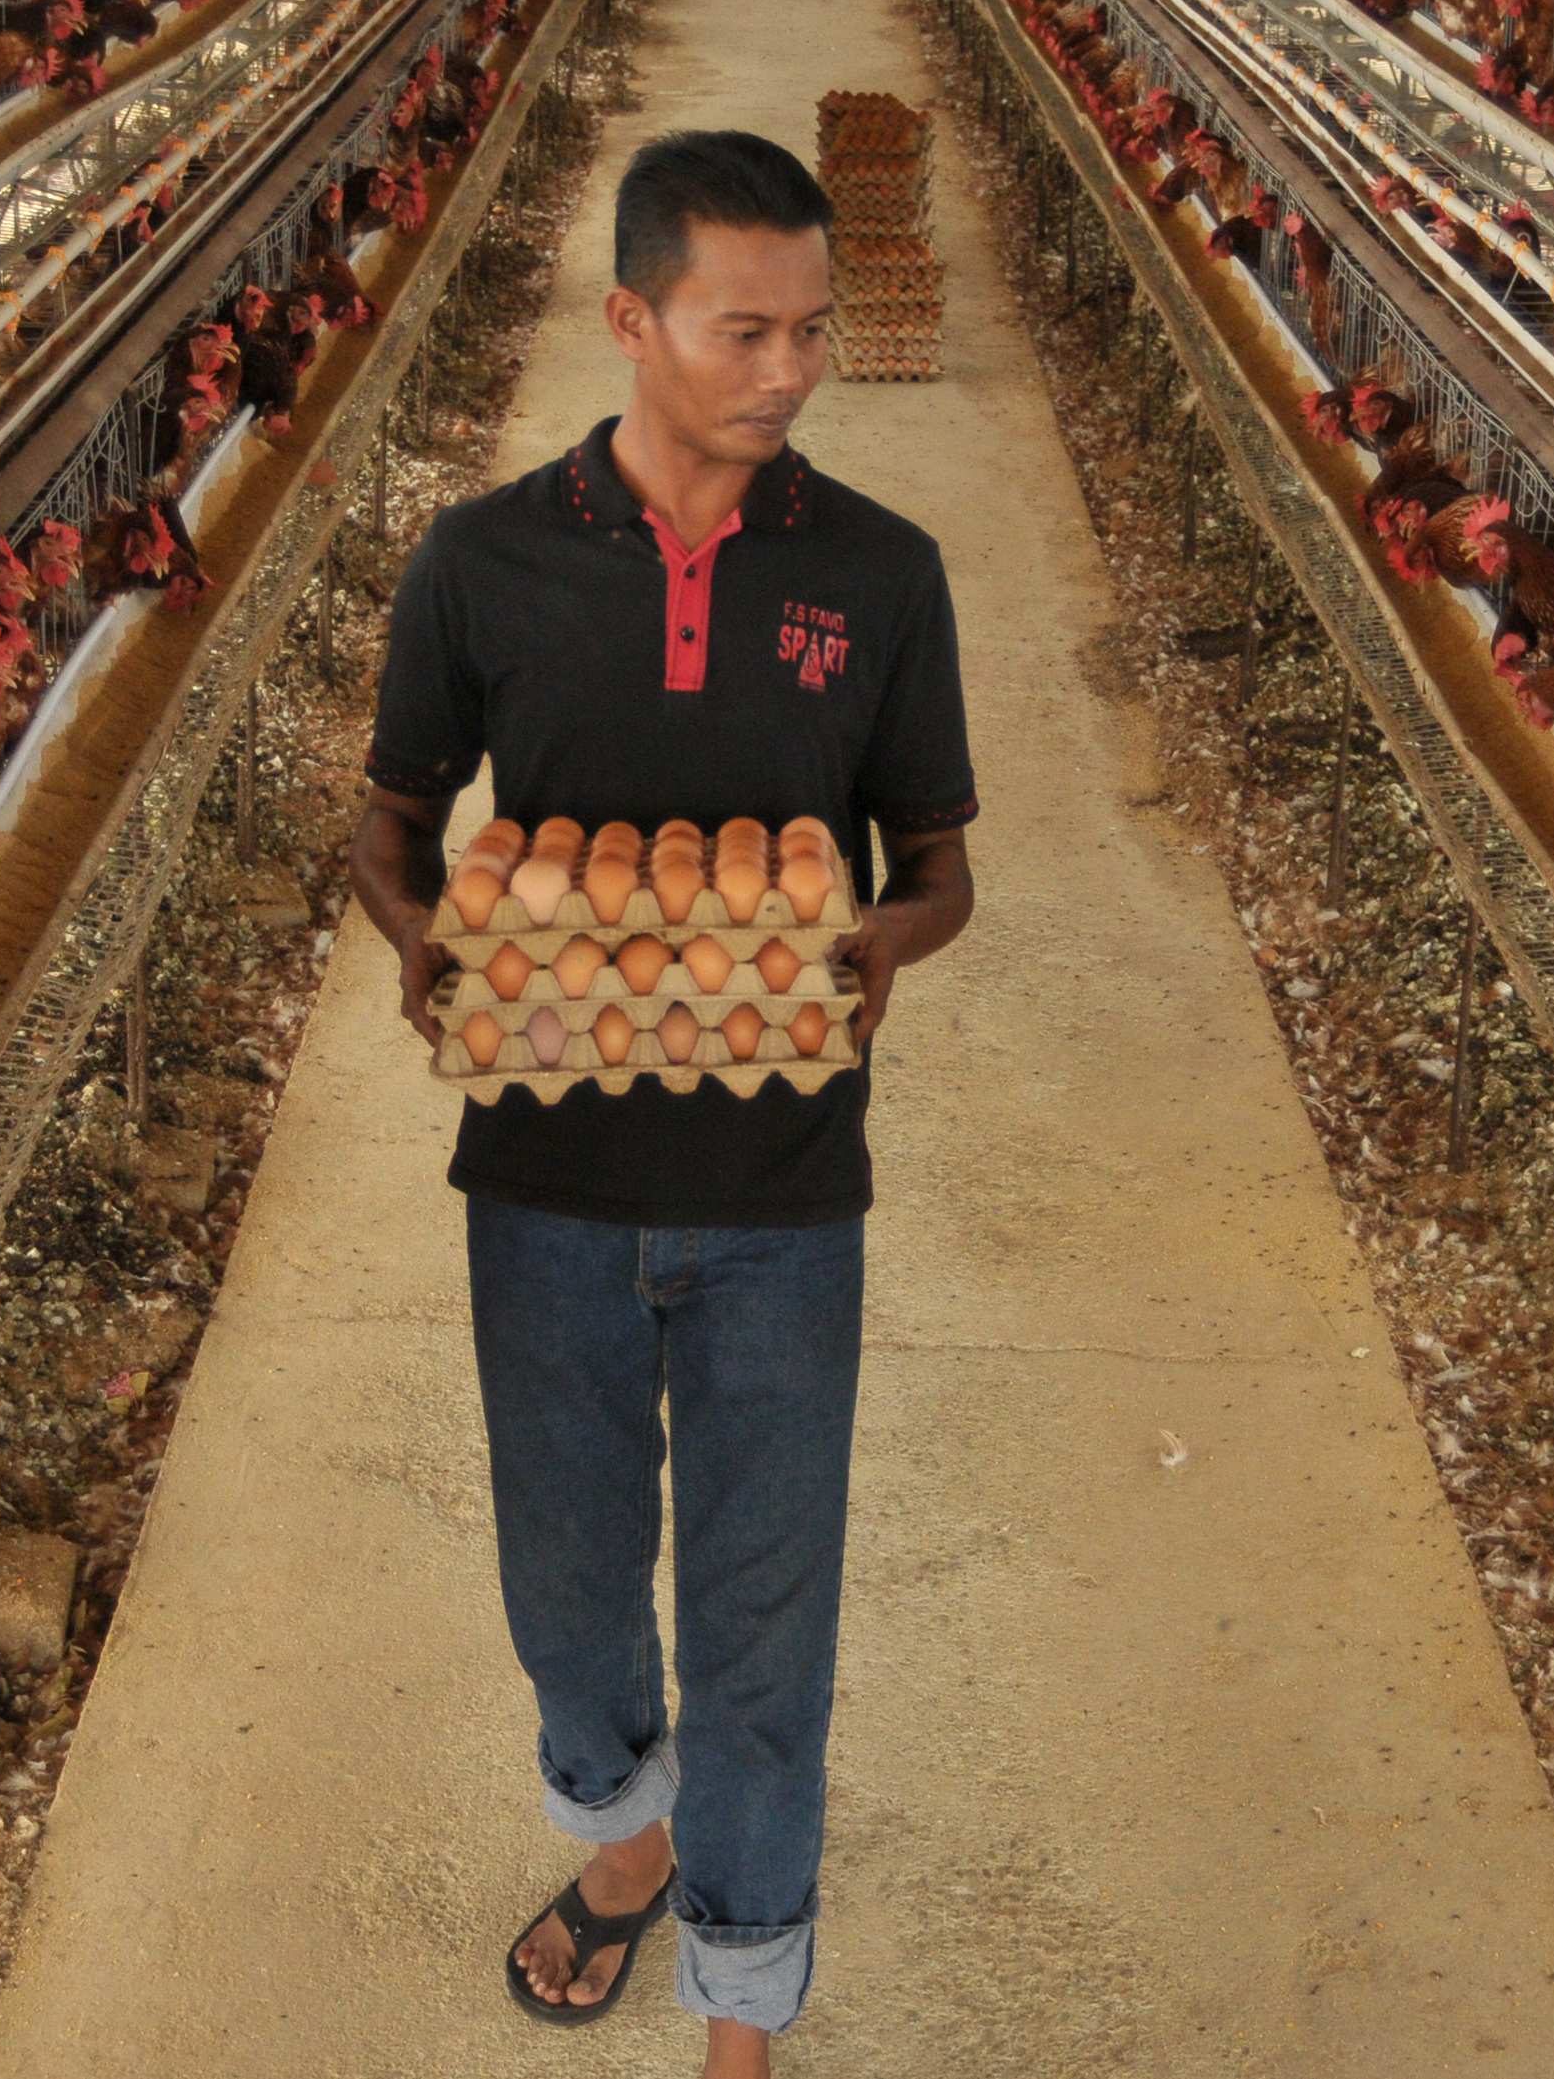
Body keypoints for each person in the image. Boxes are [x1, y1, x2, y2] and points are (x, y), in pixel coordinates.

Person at [352, 129, 977, 2075]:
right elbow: (386, 825)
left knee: (763, 1637)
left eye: (811, 331)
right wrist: (415, 937)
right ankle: (621, 1842)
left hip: (785, 1191)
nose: (787, 371)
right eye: (740, 331)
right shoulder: (484, 563)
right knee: (564, 1607)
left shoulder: (879, 575)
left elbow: (941, 863)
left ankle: (738, 1993)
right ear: (629, 321)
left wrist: (883, 941)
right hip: (538, 1179)